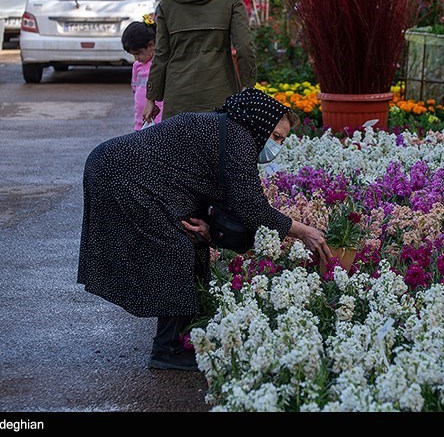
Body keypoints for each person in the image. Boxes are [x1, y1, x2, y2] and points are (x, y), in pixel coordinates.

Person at [78, 88, 332, 370]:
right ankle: (168, 350)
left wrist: (208, 225)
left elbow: (211, 188)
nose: (277, 146)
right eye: (275, 137)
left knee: (189, 242)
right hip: (118, 173)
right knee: (174, 248)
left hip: (123, 171)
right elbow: (249, 205)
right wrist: (302, 230)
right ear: (260, 123)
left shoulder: (232, 130)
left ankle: (183, 337)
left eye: (282, 140)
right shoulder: (239, 138)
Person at [142, 0, 255, 123]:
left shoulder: (168, 1)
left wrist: (151, 98)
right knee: (217, 150)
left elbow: (161, 53)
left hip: (178, 97)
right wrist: (248, 88)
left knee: (180, 150)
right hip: (220, 95)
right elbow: (244, 47)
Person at [122, 15, 163, 131]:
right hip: (140, 120)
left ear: (151, 46)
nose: (136, 58)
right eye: (133, 55)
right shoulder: (137, 66)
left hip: (158, 120)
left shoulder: (158, 65)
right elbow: (135, 88)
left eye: (138, 53)